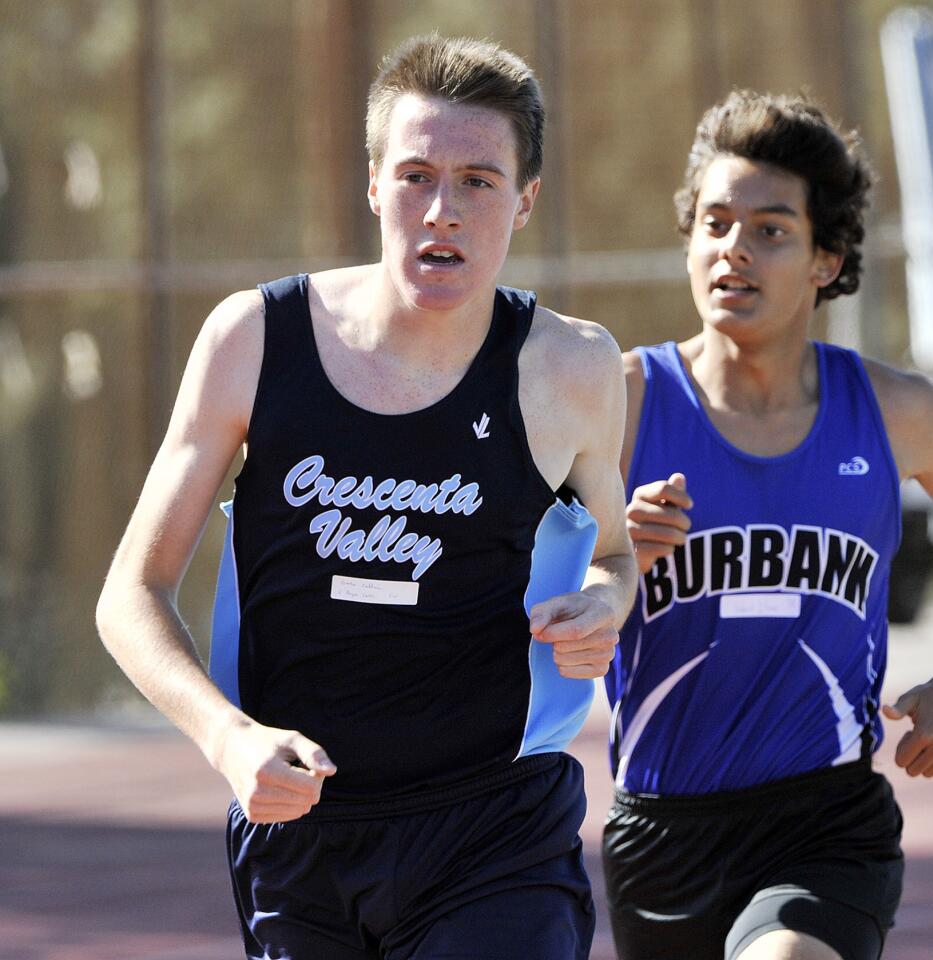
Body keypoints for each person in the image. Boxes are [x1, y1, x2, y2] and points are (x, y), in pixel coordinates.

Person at [96, 35, 636, 960]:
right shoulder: (253, 341)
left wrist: (605, 602)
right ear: (375, 184)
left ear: (526, 199)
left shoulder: (572, 366)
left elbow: (616, 555)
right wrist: (229, 741)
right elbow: (128, 595)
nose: (443, 211)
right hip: (301, 828)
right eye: (418, 174)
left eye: (478, 181)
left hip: (496, 826)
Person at [602, 90, 933, 960]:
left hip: (826, 821)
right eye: (714, 224)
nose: (732, 250)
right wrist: (606, 552)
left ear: (828, 258)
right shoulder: (623, 404)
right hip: (663, 833)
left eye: (770, 230)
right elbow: (510, 583)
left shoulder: (897, 414)